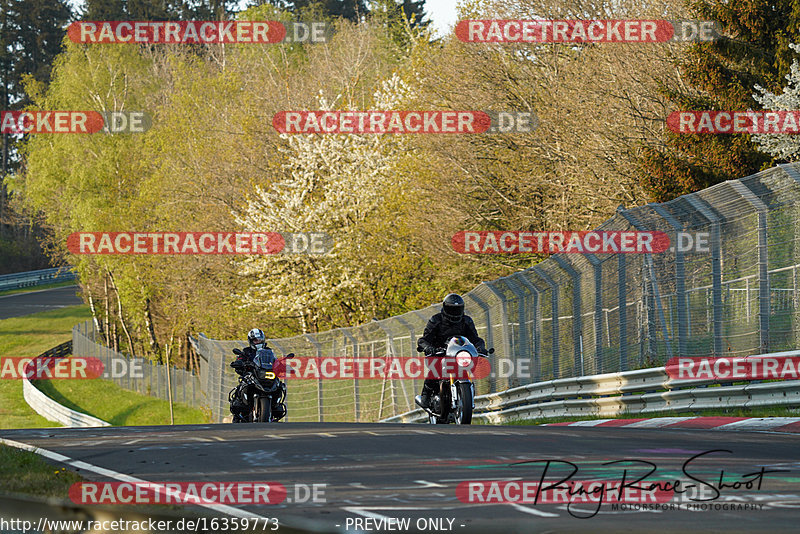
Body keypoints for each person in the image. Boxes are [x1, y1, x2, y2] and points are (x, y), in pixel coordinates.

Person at [415, 293, 487, 410]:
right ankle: (426, 397)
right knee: (435, 369)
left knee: (470, 365)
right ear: (445, 308)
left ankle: (466, 396)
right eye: (452, 309)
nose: (455, 312)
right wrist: (428, 347)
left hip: (459, 354)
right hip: (439, 353)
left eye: (457, 309)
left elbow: (475, 339)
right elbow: (424, 339)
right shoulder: (436, 320)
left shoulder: (466, 321)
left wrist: (480, 347)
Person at [230, 328, 287, 422]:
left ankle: (276, 406)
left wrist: (282, 366)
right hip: (252, 375)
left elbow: (275, 361)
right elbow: (240, 359)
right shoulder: (246, 351)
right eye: (256, 340)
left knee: (279, 386)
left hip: (265, 375)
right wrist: (239, 363)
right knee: (242, 385)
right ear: (251, 341)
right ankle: (239, 405)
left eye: (260, 340)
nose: (258, 342)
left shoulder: (268, 352)